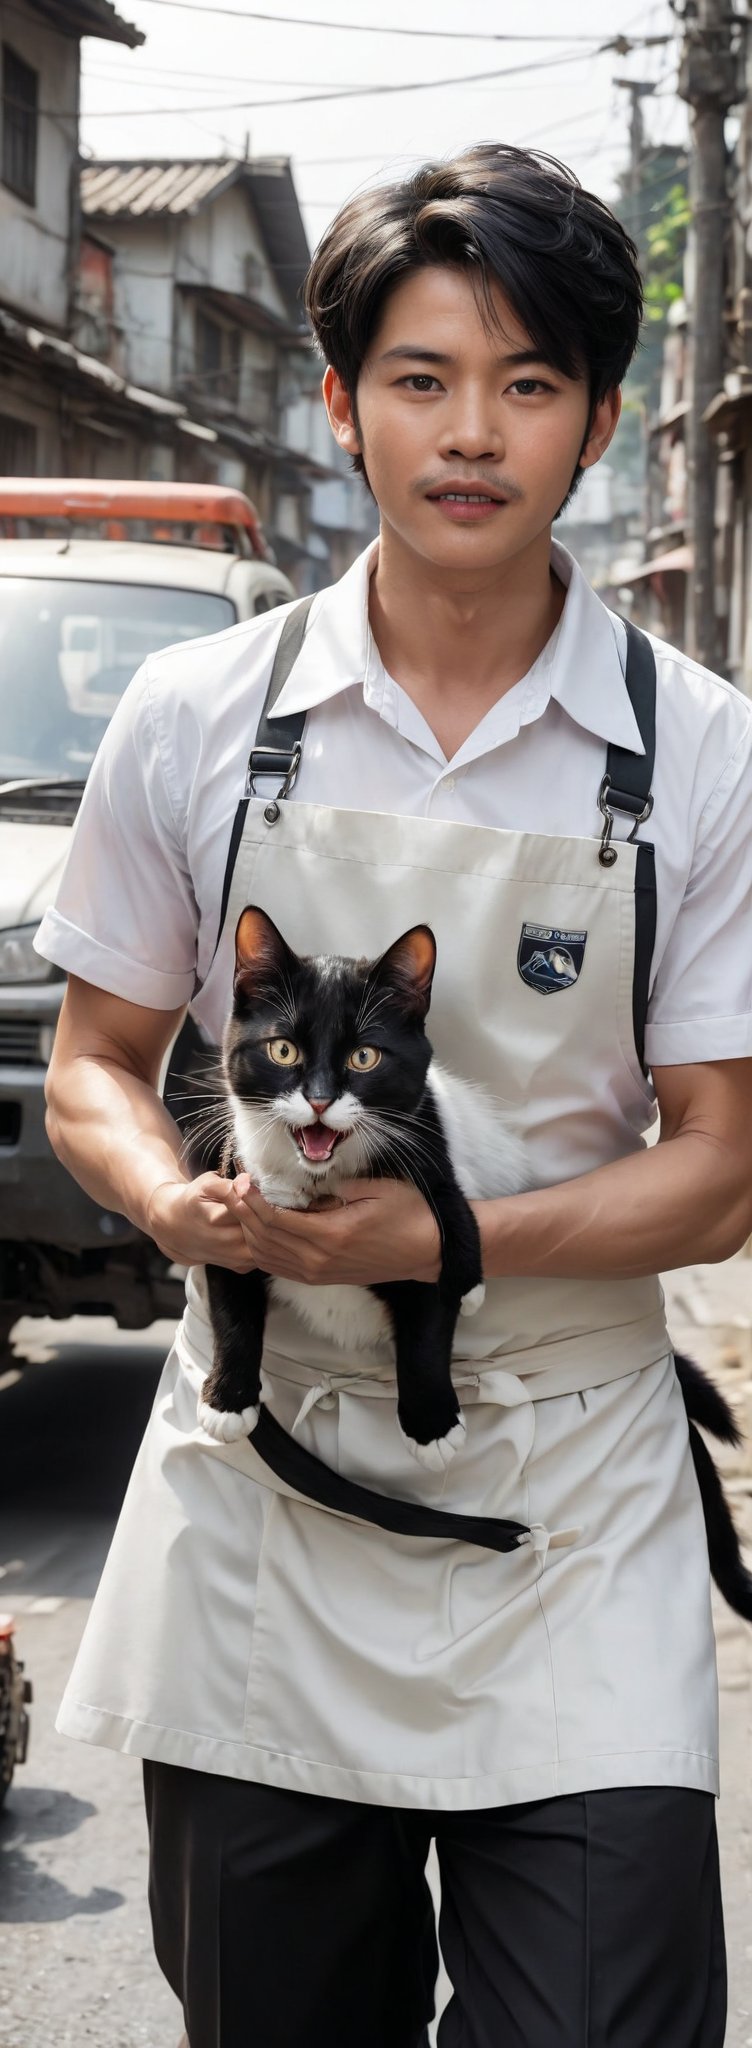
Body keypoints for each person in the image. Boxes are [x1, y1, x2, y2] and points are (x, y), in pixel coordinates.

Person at [36, 145, 752, 2048]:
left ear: (599, 421)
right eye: (423, 378)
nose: (472, 433)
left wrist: (445, 1234)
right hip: (269, 1492)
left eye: (529, 384)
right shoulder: (193, 716)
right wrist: (174, 1202)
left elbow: (719, 1176)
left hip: (573, 1492)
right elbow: (96, 1070)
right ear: (343, 403)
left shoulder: (702, 753)